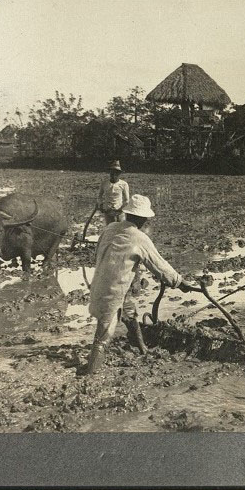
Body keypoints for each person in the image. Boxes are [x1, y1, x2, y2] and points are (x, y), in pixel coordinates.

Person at [83, 194, 190, 375]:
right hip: (112, 293)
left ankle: (142, 348)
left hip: (99, 285)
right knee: (102, 337)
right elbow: (159, 265)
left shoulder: (110, 228)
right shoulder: (139, 238)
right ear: (143, 219)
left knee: (129, 312)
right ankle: (89, 375)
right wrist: (179, 282)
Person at [96, 161, 131, 225]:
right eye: (112, 173)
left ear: (119, 174)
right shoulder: (104, 183)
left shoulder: (124, 184)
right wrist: (101, 205)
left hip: (119, 211)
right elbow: (99, 196)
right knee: (110, 229)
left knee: (120, 229)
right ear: (110, 173)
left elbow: (127, 200)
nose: (114, 175)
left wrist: (120, 209)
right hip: (108, 211)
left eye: (116, 173)